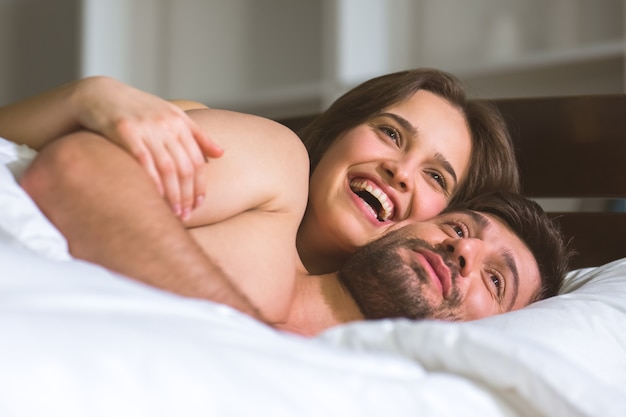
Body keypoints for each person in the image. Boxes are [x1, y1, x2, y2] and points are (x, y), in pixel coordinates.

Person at [16, 97, 569, 336]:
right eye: (459, 228)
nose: (462, 250)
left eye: (496, 280)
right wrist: (248, 337)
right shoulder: (275, 177)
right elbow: (78, 170)